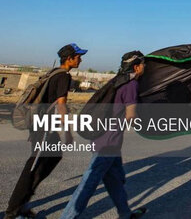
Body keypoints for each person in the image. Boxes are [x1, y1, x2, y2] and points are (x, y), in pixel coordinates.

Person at [61, 51, 147, 219]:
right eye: (144, 65)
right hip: (108, 142)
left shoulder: (117, 81)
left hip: (103, 139)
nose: (145, 68)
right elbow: (130, 116)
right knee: (89, 182)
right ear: (136, 67)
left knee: (115, 180)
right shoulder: (131, 85)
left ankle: (125, 213)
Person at [5, 43, 87, 219]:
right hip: (43, 126)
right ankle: (13, 211)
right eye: (78, 56)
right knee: (34, 166)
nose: (80, 59)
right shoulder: (63, 76)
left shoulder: (53, 73)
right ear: (69, 58)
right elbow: (61, 106)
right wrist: (67, 132)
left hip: (43, 124)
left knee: (52, 157)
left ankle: (23, 202)